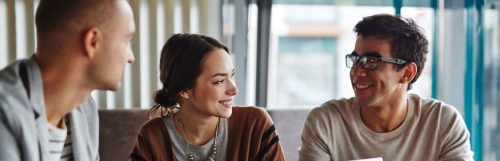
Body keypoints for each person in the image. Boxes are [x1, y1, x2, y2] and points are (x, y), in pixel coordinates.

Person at [298, 14, 474, 161]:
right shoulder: (326, 122)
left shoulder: (443, 123)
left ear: (407, 73)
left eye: (371, 61)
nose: (356, 72)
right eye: (355, 60)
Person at [0, 0, 135, 160]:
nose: (131, 57)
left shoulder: (85, 108)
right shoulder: (5, 113)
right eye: (127, 40)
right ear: (92, 41)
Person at [129, 33, 285, 161]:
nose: (234, 89)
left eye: (232, 76)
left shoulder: (255, 126)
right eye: (219, 81)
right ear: (185, 90)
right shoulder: (152, 136)